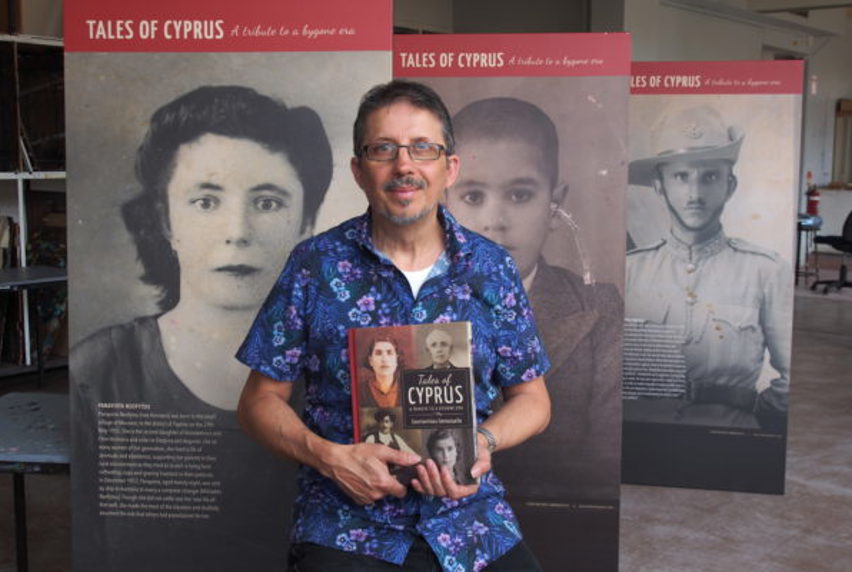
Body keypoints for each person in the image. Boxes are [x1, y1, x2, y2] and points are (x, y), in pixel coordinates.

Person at [237, 80, 552, 571]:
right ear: (360, 172)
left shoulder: (492, 268)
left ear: (449, 168)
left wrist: (482, 444)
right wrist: (329, 458)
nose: (404, 165)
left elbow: (533, 401)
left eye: (422, 148)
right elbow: (258, 402)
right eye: (384, 149)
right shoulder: (314, 265)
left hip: (469, 518)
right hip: (347, 525)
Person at [70, 85, 332, 570]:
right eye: (206, 202)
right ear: (166, 221)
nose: (237, 230)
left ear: (306, 222)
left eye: (268, 202)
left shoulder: (343, 364)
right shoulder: (102, 367)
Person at [445, 97, 623, 500]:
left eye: (520, 195)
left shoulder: (597, 308)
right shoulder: (408, 299)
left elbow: (603, 460)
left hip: (558, 517)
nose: (495, 220)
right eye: (472, 197)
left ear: (554, 203)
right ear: (445, 201)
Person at [625, 104, 792, 431]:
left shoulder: (766, 272)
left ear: (730, 186)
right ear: (660, 186)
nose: (695, 194)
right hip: (642, 436)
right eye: (681, 176)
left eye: (710, 177)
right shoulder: (630, 270)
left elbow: (792, 380)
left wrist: (752, 415)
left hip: (729, 437)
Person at [358, 335, 403, 407]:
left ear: (396, 359)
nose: (384, 359)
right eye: (378, 353)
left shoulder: (408, 389)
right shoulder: (359, 391)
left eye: (389, 353)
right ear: (370, 361)